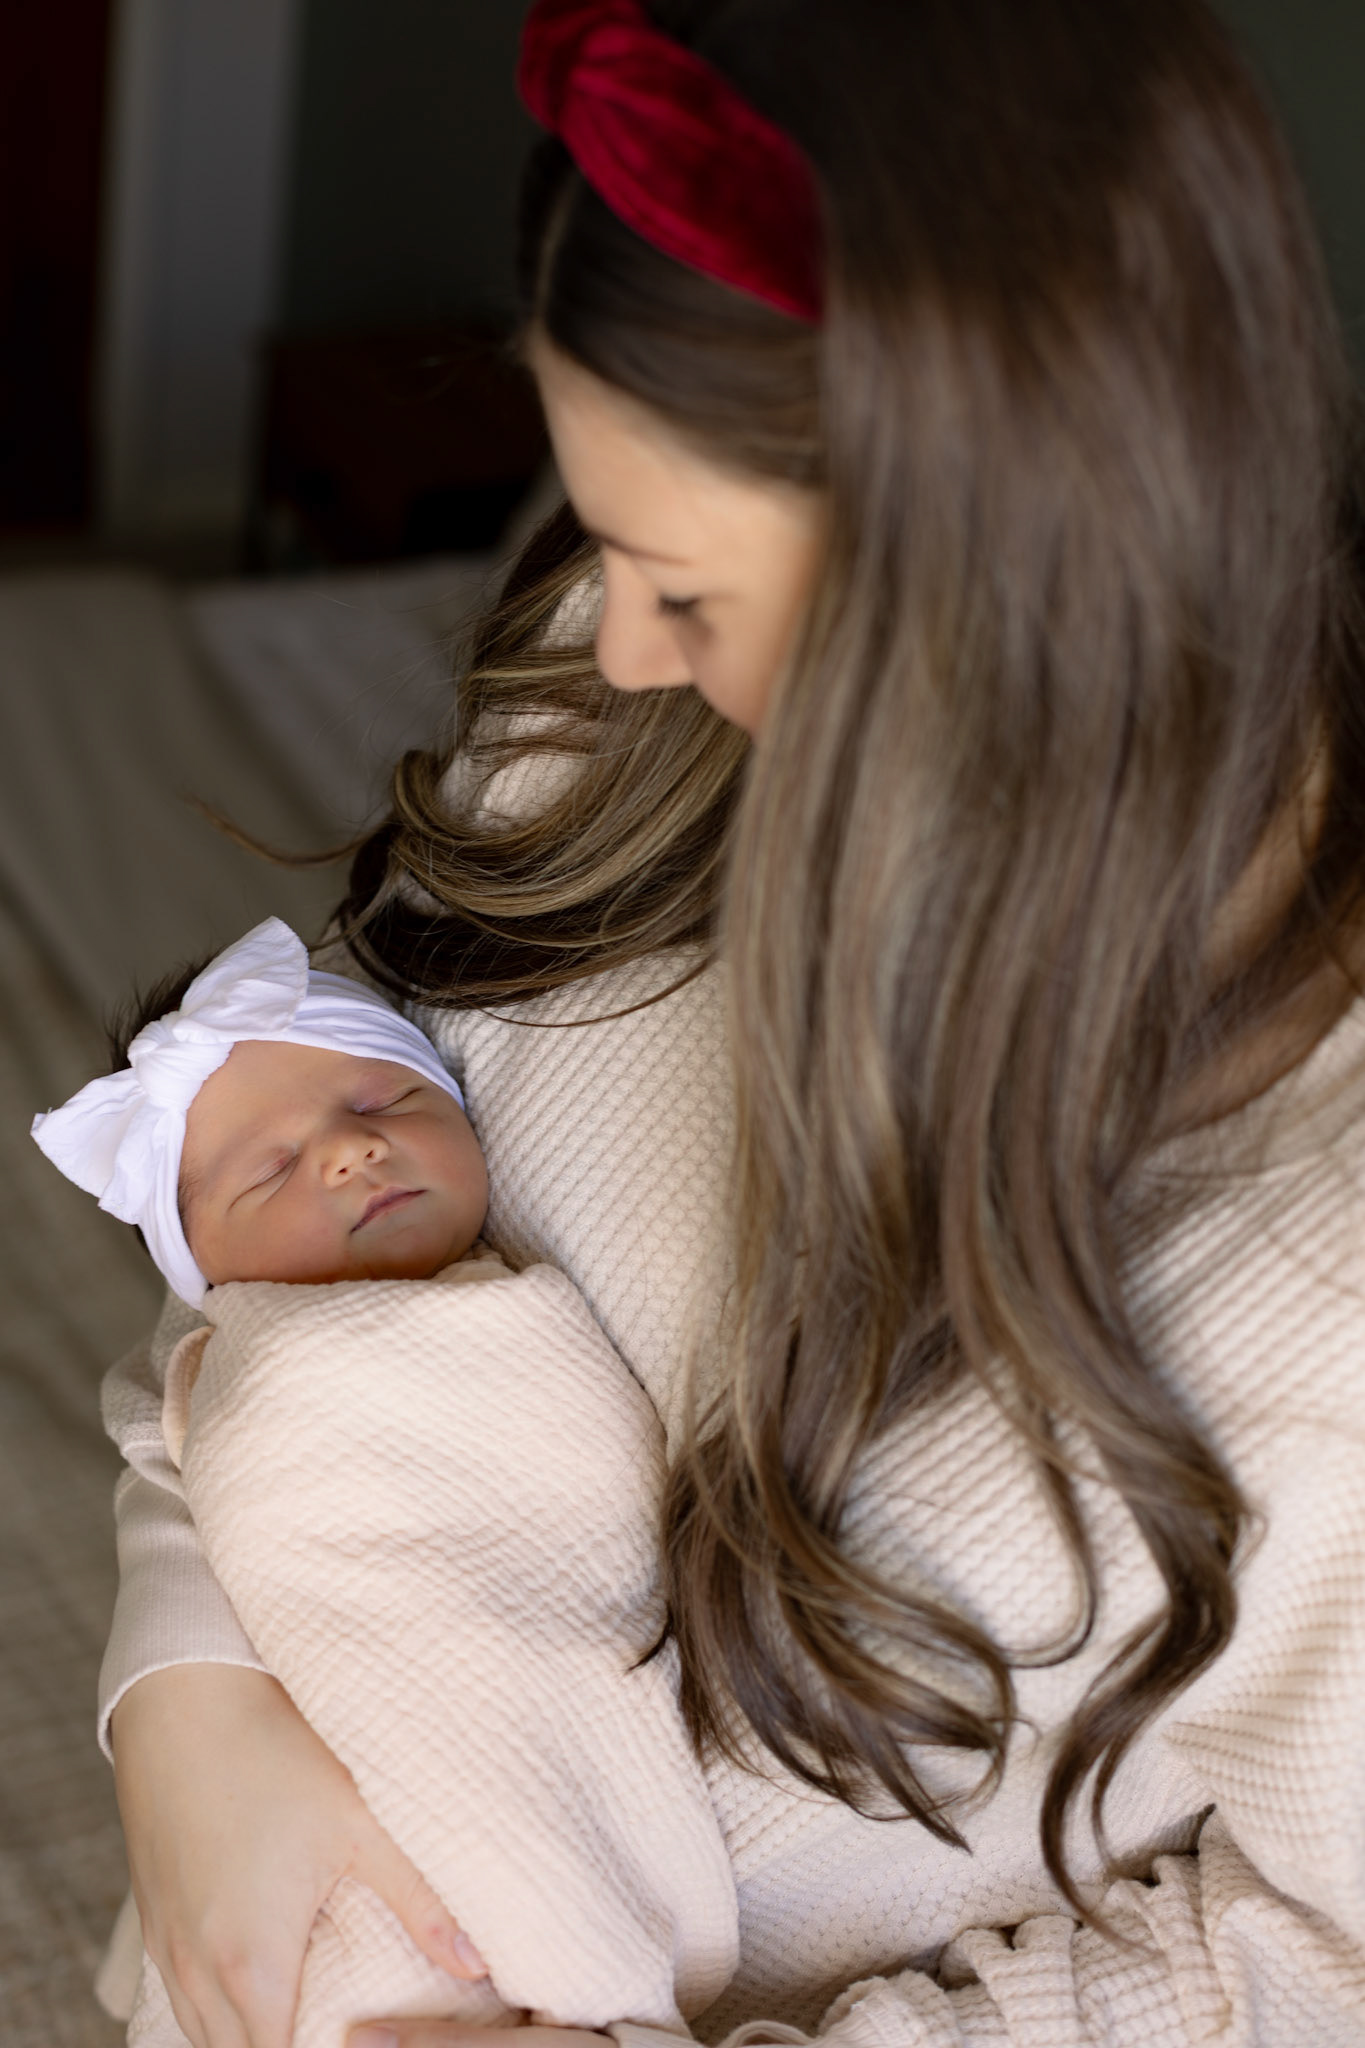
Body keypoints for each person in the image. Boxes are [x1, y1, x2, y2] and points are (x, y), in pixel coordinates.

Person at [98, 0, 1365, 2045]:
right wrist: (184, 1678)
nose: (609, 646)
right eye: (603, 547)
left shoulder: (1319, 1266)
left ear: (995, 582)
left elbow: (1317, 1961)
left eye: (681, 588)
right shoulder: (611, 729)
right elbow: (270, 1235)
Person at [33, 918, 738, 2045]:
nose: (349, 1151)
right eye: (269, 1169)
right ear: (209, 1282)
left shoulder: (534, 1289)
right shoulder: (241, 1365)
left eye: (383, 1100)